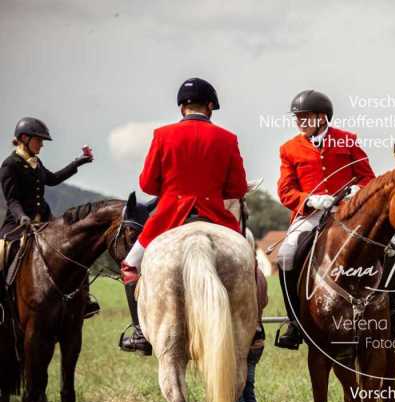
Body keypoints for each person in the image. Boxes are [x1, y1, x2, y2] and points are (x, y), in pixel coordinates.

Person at [118, 78, 248, 354]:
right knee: (248, 265)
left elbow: (148, 185)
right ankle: (254, 327)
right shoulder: (227, 138)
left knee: (130, 266)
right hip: (216, 217)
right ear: (210, 107)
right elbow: (236, 188)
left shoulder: (162, 135)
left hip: (169, 218)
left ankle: (140, 332)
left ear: (182, 108)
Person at [275, 89, 381, 349]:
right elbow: (285, 190)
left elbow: (368, 176)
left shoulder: (347, 140)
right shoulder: (289, 149)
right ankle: (294, 323)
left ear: (322, 118)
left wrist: (359, 191)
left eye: (305, 117)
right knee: (286, 255)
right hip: (311, 214)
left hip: (348, 213)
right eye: (297, 117)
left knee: (386, 249)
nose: (299, 122)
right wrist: (309, 200)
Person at [0, 117, 97, 317]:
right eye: (39, 140)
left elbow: (53, 179)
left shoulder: (36, 162)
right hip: (17, 225)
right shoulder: (10, 165)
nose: (42, 144)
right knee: (1, 255)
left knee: (74, 248)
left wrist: (78, 162)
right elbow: (12, 200)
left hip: (45, 221)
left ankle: (84, 299)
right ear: (24, 138)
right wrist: (22, 218)